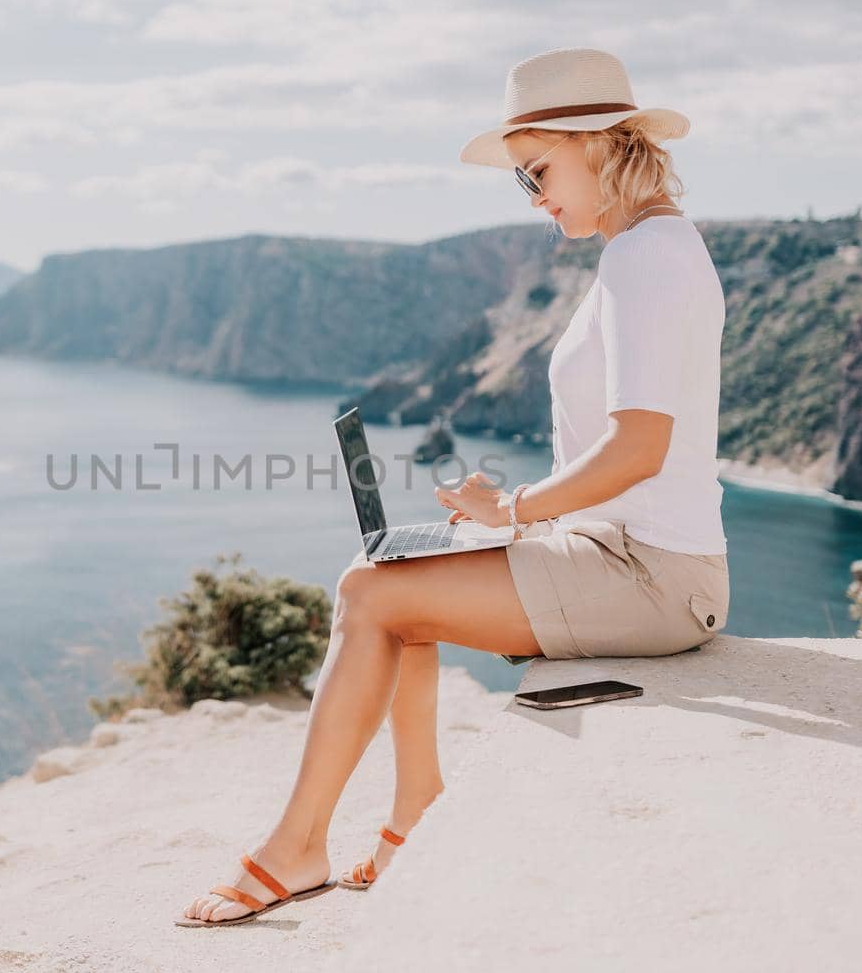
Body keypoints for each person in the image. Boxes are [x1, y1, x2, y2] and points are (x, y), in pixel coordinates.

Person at [176, 47, 730, 927]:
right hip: (620, 551)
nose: (538, 197)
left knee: (372, 591)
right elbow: (624, 457)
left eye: (539, 171)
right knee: (393, 579)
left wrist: (517, 510)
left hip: (653, 576)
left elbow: (639, 451)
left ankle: (301, 848)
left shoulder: (648, 257)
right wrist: (504, 518)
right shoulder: (644, 248)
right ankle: (408, 815)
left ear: (597, 143)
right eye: (523, 182)